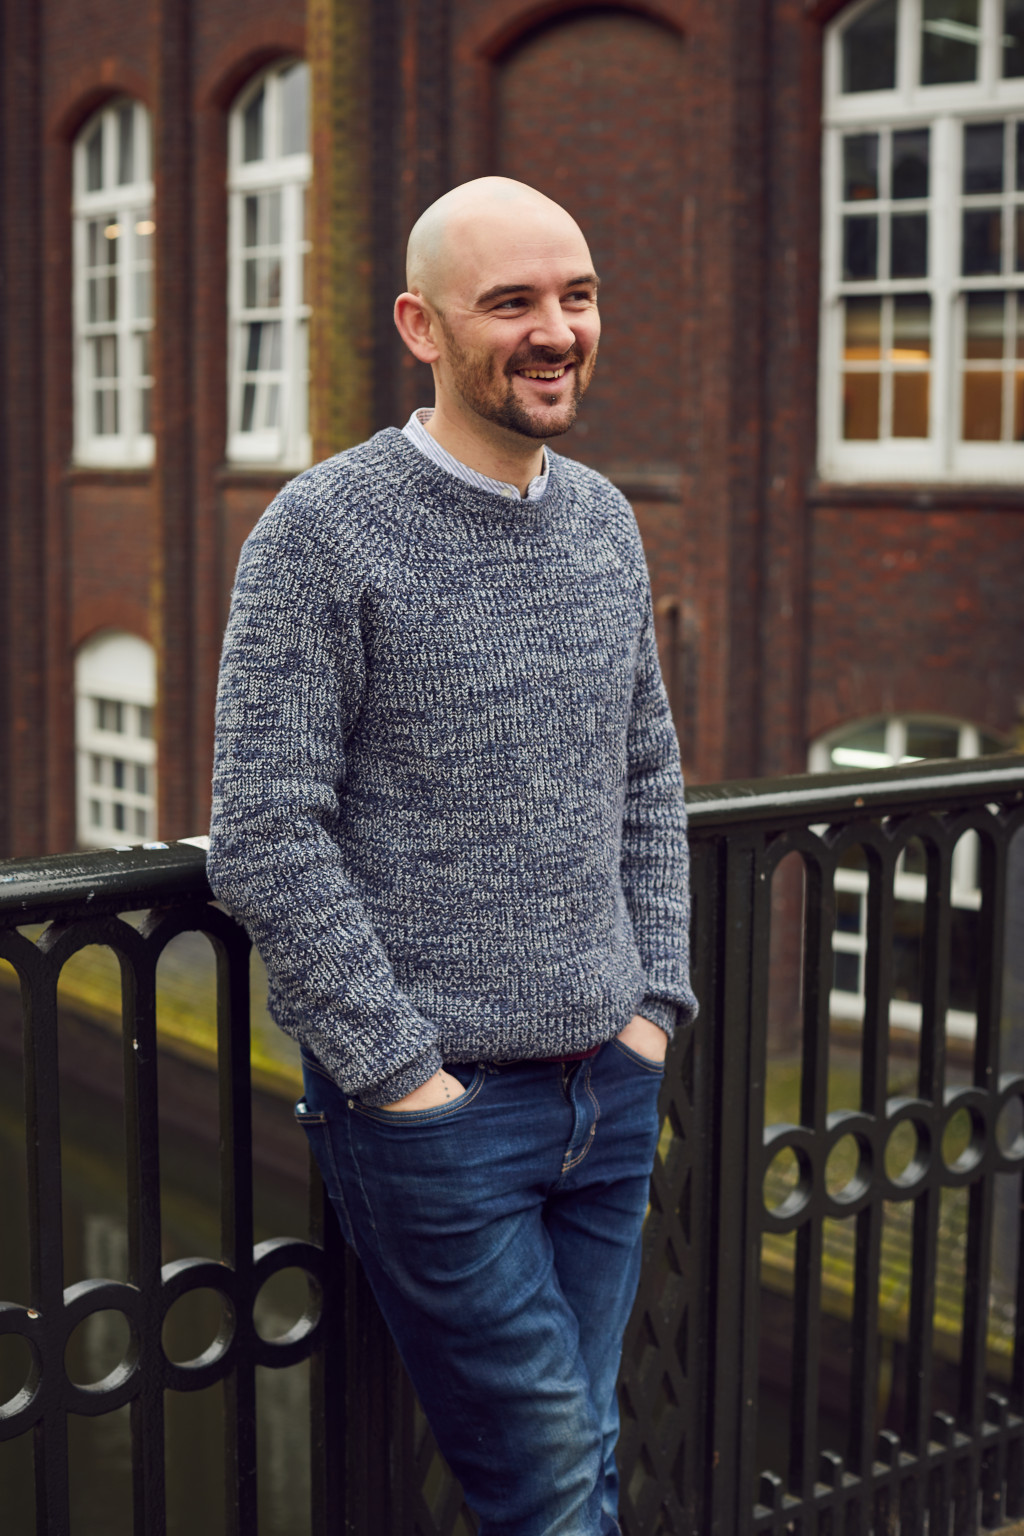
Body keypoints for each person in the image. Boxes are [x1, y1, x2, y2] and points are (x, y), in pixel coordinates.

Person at [207, 176, 697, 1536]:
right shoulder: (321, 531)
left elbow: (648, 777)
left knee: (584, 1453)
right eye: (514, 303)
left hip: (611, 1085)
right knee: (548, 1486)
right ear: (422, 326)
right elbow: (263, 829)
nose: (558, 331)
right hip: (442, 1116)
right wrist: (401, 1078)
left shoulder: (602, 518)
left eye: (578, 295)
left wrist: (656, 1006)